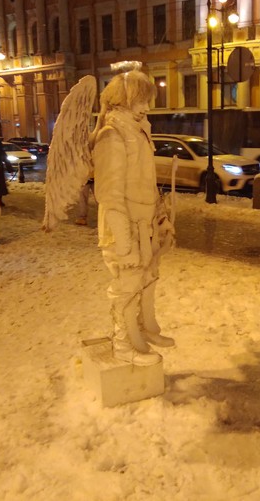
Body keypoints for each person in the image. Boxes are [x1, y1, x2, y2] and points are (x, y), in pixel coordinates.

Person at [91, 69, 175, 366]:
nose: (148, 108)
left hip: (145, 226)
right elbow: (109, 195)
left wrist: (161, 218)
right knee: (125, 288)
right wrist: (124, 246)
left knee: (146, 279)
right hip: (123, 230)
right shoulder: (112, 136)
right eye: (142, 100)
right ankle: (123, 345)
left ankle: (140, 331)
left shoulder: (138, 133)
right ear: (125, 100)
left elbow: (148, 185)